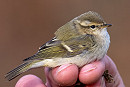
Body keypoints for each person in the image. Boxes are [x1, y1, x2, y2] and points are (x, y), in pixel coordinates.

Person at [15, 55, 125, 87]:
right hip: (55, 56)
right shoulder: (89, 39)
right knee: (66, 73)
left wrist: (104, 74)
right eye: (93, 27)